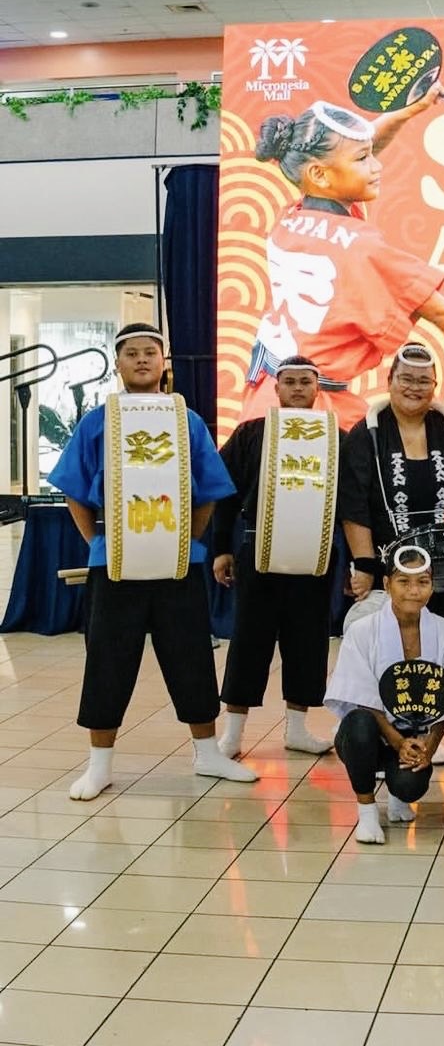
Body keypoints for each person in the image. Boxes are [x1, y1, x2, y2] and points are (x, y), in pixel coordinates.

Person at [49, 323, 257, 800]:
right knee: (107, 658)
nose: (142, 360)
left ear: (164, 364)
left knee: (189, 655)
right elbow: (75, 490)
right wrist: (97, 543)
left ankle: (207, 754)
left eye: (151, 353)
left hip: (178, 562)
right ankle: (99, 764)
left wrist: (190, 538)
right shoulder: (96, 422)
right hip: (114, 562)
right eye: (132, 353)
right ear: (118, 364)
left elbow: (209, 489)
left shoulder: (188, 422)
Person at [244, 97, 444, 427]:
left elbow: (351, 153)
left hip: (266, 398)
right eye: (363, 158)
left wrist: (407, 111)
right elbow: (443, 312)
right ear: (319, 174)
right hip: (313, 413)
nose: (376, 165)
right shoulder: (362, 246)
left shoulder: (291, 219)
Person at [212, 354, 340, 759]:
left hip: (314, 555)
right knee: (249, 638)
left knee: (308, 640)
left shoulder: (336, 436)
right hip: (257, 551)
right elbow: (224, 495)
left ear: (317, 388)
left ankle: (298, 728)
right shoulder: (252, 434)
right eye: (290, 382)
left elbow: (353, 500)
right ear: (277, 387)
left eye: (306, 382)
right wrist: (221, 550)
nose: (298, 388)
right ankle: (233, 731)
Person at [324, 542, 444, 843]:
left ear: (432, 587)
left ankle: (399, 798)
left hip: (418, 734)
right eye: (404, 581)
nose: (413, 591)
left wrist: (428, 746)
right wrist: (397, 741)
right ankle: (366, 810)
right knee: (359, 723)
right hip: (371, 733)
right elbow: (360, 695)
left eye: (423, 582)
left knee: (409, 786)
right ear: (387, 584)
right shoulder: (363, 631)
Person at [340, 341, 444, 631]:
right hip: (390, 571)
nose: (414, 388)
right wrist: (364, 566)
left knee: (440, 655)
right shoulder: (366, 433)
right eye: (406, 379)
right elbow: (354, 505)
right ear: (389, 381)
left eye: (423, 381)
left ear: (435, 386)